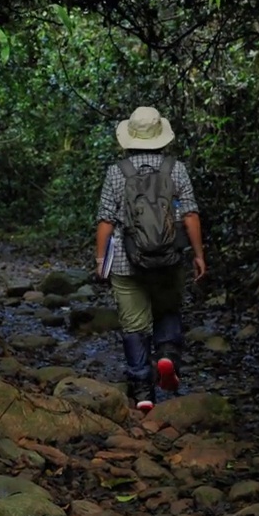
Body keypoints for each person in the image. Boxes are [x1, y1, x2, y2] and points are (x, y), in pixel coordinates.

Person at [94, 106, 206, 412]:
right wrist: (198, 254)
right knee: (167, 310)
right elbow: (191, 214)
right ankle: (167, 355)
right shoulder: (176, 169)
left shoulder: (118, 172)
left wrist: (101, 259)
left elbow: (105, 219)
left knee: (134, 325)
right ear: (161, 137)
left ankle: (143, 390)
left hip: (126, 263)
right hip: (169, 258)